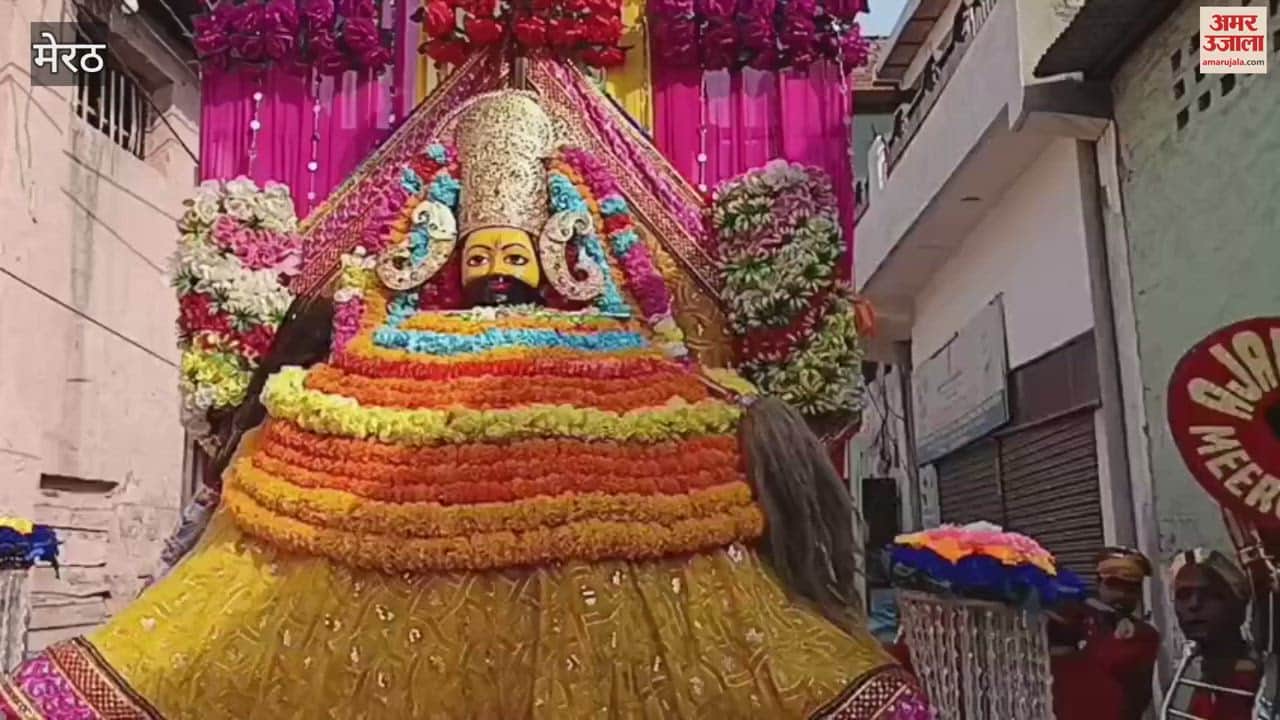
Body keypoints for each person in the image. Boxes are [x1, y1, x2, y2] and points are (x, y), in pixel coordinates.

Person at [0, 88, 927, 719]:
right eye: (481, 258)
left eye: (510, 259)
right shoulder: (376, 363)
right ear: (446, 250)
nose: (496, 276)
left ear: (557, 255)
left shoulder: (618, 350)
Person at [1049, 547, 1160, 720]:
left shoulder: (1144, 636)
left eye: (1131, 589)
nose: (1122, 595)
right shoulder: (1076, 621)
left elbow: (1110, 663)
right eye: (1113, 585)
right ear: (1098, 584)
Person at [1166, 548, 1261, 720]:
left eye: (1211, 595)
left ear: (1239, 607)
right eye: (1184, 595)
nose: (1194, 605)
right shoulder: (1193, 681)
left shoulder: (1260, 684)